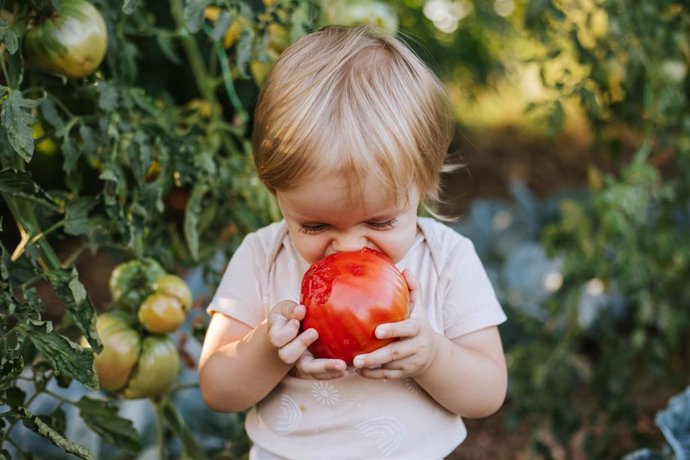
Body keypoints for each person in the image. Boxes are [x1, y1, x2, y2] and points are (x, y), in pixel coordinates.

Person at [198, 25, 507, 460]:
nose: (345, 249)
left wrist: (433, 357)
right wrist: (268, 352)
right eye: (314, 226)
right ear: (277, 195)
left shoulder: (447, 260)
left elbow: (488, 392)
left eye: (380, 221)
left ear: (425, 183)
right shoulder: (263, 257)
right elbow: (217, 388)